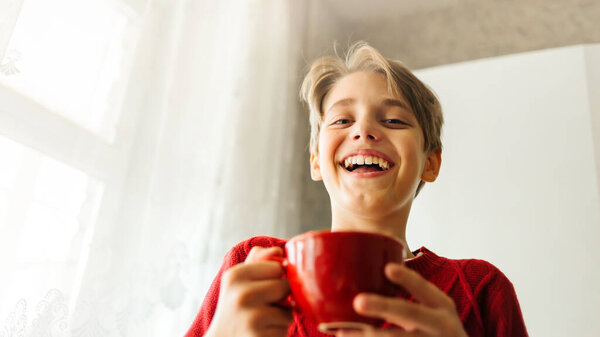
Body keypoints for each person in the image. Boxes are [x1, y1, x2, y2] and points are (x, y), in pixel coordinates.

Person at [184, 41, 528, 337]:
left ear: (430, 163)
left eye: (393, 120)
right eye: (341, 120)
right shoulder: (250, 268)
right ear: (316, 160)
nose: (363, 130)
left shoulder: (481, 288)